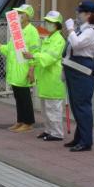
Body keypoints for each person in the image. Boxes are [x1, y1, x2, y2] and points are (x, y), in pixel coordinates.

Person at [0, 4, 41, 133]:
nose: (18, 15)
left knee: (25, 97)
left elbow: (36, 51)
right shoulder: (16, 31)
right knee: (18, 97)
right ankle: (20, 121)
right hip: (14, 70)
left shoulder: (32, 31)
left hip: (24, 70)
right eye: (17, 13)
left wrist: (31, 69)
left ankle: (28, 123)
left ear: (27, 16)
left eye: (21, 13)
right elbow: (10, 50)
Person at [62, 0, 94, 152]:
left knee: (83, 107)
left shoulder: (90, 31)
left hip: (82, 73)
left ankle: (86, 141)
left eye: (80, 12)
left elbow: (77, 44)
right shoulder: (82, 29)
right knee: (76, 107)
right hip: (75, 71)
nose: (77, 14)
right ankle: (79, 138)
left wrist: (70, 29)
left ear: (88, 14)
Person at [23, 11, 66, 141]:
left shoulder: (59, 40)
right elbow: (41, 56)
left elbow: (49, 58)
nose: (48, 25)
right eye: (47, 22)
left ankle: (57, 133)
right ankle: (48, 131)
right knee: (46, 110)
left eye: (51, 23)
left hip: (53, 80)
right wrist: (32, 65)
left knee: (54, 109)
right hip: (45, 80)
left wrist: (33, 56)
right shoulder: (47, 38)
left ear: (57, 25)